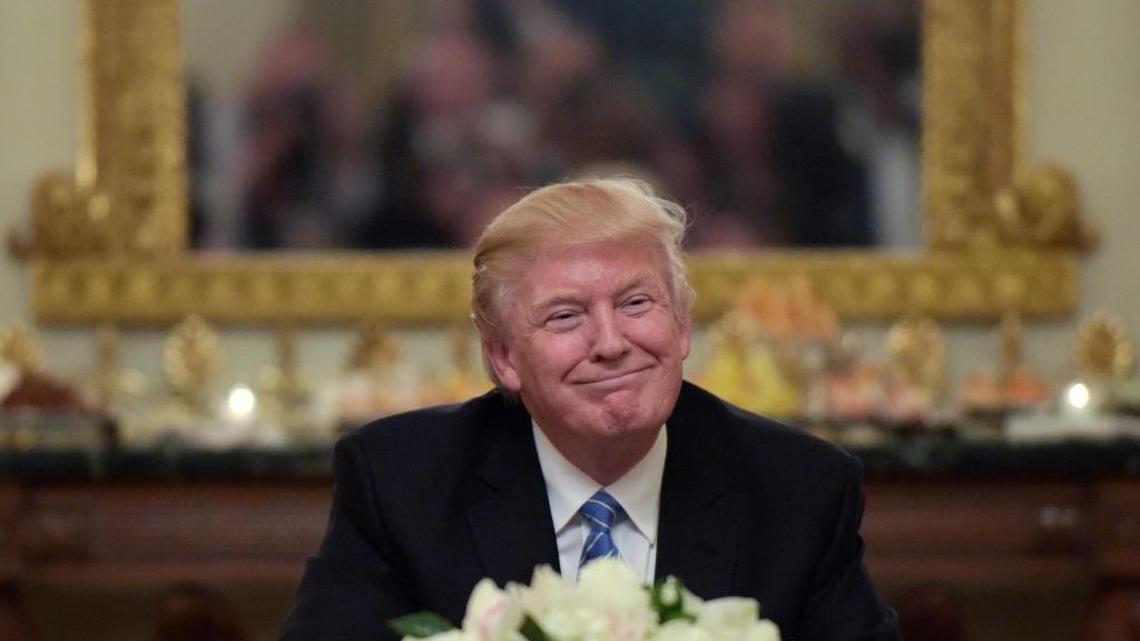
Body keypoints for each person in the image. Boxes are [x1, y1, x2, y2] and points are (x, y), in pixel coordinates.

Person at [281, 178, 900, 641]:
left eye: (636, 303)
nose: (610, 343)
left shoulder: (799, 488)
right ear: (504, 359)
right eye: (565, 316)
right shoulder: (401, 483)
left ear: (682, 325)